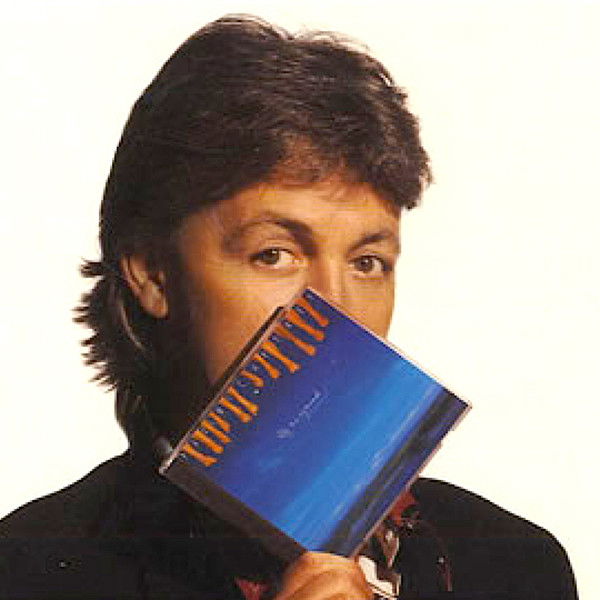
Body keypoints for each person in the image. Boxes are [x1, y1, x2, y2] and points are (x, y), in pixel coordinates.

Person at [0, 15, 577, 600]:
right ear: (153, 274)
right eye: (274, 255)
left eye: (367, 262)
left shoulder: (519, 566)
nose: (336, 309)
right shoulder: (28, 571)